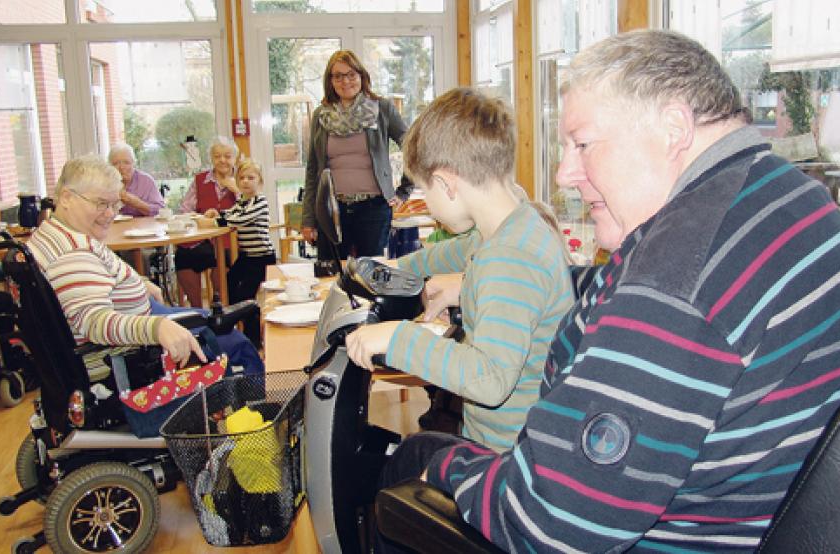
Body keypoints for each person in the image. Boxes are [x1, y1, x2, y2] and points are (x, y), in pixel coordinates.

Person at [376, 30, 840, 552]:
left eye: (582, 144)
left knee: (411, 459)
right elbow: (653, 305)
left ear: (673, 128)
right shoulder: (783, 194)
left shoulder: (677, 282)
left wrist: (448, 463)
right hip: (753, 506)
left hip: (667, 535)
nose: (564, 173)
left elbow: (550, 523)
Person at [345, 88, 575, 453]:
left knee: (397, 469)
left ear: (447, 183)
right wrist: (395, 268)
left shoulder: (510, 257)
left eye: (424, 190)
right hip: (503, 441)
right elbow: (458, 252)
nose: (428, 203)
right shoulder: (512, 223)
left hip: (505, 459)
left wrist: (396, 337)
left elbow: (490, 379)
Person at [26, 155, 262, 379]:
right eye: (101, 204)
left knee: (217, 320)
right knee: (235, 341)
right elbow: (95, 322)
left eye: (114, 204)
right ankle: (259, 414)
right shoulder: (72, 254)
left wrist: (139, 282)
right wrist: (157, 328)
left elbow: (90, 285)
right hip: (130, 351)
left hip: (139, 322)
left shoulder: (53, 233)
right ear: (66, 197)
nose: (109, 214)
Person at [300, 49, 412, 268]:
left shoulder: (382, 109)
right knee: (332, 272)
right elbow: (313, 170)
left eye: (351, 74)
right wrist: (308, 220)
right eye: (338, 76)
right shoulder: (321, 116)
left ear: (362, 76)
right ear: (330, 81)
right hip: (332, 210)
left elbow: (413, 147)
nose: (345, 81)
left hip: (373, 208)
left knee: (371, 273)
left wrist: (403, 191)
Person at [203, 158, 276, 349]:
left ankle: (253, 339)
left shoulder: (259, 202)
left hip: (262, 257)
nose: (245, 181)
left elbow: (242, 219)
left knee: (246, 297)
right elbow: (231, 213)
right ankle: (235, 329)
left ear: (259, 181)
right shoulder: (243, 201)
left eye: (250, 178)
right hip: (247, 256)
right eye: (241, 178)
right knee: (227, 285)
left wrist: (217, 221)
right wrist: (217, 214)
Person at [176, 136, 240, 308]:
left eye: (227, 156)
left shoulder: (243, 178)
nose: (222, 160)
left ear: (235, 158)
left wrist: (237, 190)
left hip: (231, 240)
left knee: (223, 259)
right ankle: (197, 310)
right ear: (211, 158)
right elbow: (184, 210)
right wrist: (201, 217)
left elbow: (254, 205)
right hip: (202, 238)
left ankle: (219, 306)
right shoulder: (200, 180)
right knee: (183, 256)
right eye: (217, 156)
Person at [108, 142, 165, 217]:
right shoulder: (105, 183)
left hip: (143, 227)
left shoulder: (146, 181)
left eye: (126, 162)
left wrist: (135, 202)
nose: (121, 167)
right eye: (116, 163)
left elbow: (160, 211)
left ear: (134, 163)